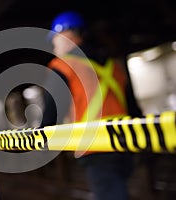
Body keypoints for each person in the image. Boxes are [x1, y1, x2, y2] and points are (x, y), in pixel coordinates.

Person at [41, 11, 142, 200]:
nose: (54, 46)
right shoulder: (113, 65)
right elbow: (133, 107)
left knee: (111, 194)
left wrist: (40, 138)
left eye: (54, 40)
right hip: (125, 142)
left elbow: (52, 110)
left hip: (96, 147)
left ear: (66, 35)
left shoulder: (64, 66)